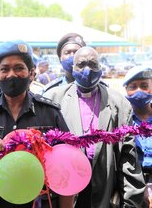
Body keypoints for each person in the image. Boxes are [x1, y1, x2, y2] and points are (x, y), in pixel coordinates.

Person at [0, 40, 70, 207]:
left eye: (19, 68)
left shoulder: (50, 112)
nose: (11, 75)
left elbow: (66, 168)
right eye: (4, 69)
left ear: (31, 73)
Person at [44, 46, 145, 207]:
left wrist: (131, 202)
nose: (87, 70)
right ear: (72, 68)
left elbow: (128, 159)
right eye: (81, 64)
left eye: (93, 64)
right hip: (66, 193)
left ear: (100, 68)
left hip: (104, 191)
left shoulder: (119, 104)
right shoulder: (54, 99)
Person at [123, 66, 152, 207]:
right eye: (133, 86)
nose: (139, 91)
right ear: (126, 91)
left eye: (144, 86)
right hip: (131, 189)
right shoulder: (121, 120)